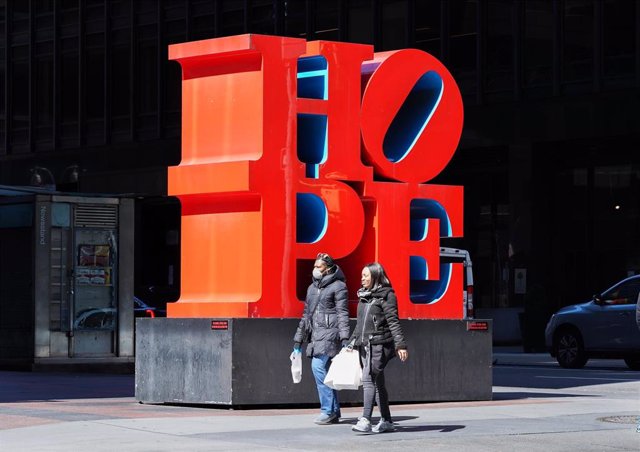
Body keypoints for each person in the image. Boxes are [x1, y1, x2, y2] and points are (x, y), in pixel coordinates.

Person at [348, 262, 408, 434]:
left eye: (366, 275)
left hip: (379, 344)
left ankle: (366, 419)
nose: (362, 278)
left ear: (375, 276)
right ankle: (387, 421)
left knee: (368, 379)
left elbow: (393, 321)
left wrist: (400, 345)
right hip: (364, 345)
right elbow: (360, 324)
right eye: (362, 275)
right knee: (378, 382)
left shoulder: (387, 295)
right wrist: (352, 341)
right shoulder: (364, 296)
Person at [293, 253, 350, 425]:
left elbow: (343, 314)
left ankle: (327, 410)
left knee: (317, 367)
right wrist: (298, 339)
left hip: (330, 334)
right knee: (327, 373)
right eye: (315, 266)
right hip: (316, 335)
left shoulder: (339, 287)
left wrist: (345, 337)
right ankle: (334, 410)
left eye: (319, 267)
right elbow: (306, 315)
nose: (315, 269)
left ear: (329, 268)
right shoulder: (312, 288)